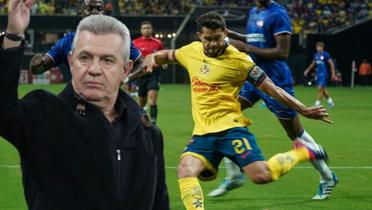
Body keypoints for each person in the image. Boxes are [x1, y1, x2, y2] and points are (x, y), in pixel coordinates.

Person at [143, 12, 331, 210]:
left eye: (218, 38)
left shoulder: (240, 60)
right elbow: (168, 55)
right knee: (185, 169)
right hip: (202, 133)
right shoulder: (191, 51)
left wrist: (304, 110)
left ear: (225, 33)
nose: (213, 43)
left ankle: (302, 153)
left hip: (231, 129)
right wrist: (151, 56)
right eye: (208, 39)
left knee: (261, 176)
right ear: (200, 36)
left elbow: (273, 89)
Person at [0, 1, 169, 209]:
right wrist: (13, 36)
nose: (94, 69)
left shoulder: (149, 134)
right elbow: (3, 110)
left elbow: (160, 203)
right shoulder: (44, 117)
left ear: (125, 70)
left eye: (107, 60)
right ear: (71, 62)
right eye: (85, 58)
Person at [208, 0, 338, 200]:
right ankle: (234, 175)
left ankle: (327, 177)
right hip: (254, 76)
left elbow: (281, 52)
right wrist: (235, 36)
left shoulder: (278, 14)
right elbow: (258, 40)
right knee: (224, 112)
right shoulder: (254, 11)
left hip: (275, 80)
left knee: (295, 134)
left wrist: (245, 47)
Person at [29, 0, 143, 82]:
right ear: (80, 13)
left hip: (109, 100)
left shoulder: (118, 37)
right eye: (89, 8)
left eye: (99, 9)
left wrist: (125, 79)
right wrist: (36, 65)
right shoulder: (68, 41)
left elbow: (141, 63)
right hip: (78, 100)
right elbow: (39, 69)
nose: (95, 12)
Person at [133, 21, 165, 124]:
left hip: (154, 74)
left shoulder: (158, 43)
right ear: (141, 30)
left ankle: (153, 123)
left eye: (148, 28)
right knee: (141, 102)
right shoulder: (135, 43)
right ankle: (137, 120)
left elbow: (162, 56)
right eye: (144, 28)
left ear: (152, 29)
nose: (146, 30)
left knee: (152, 98)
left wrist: (164, 63)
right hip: (141, 74)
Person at [304, 41, 337, 107]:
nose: (319, 48)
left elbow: (331, 64)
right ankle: (330, 102)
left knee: (321, 88)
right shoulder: (316, 55)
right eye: (318, 47)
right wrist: (307, 70)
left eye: (320, 47)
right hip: (318, 74)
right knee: (323, 89)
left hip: (324, 74)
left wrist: (333, 74)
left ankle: (317, 103)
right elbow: (313, 63)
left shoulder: (326, 55)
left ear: (322, 48)